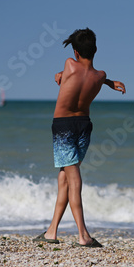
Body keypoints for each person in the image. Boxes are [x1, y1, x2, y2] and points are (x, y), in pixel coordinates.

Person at [33, 28, 125, 247]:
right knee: (65, 177)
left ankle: (83, 235)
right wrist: (110, 82)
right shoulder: (100, 75)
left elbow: (68, 74)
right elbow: (92, 76)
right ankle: (51, 232)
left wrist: (60, 75)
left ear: (75, 52)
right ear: (95, 50)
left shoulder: (69, 64)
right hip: (84, 126)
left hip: (63, 126)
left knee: (73, 179)